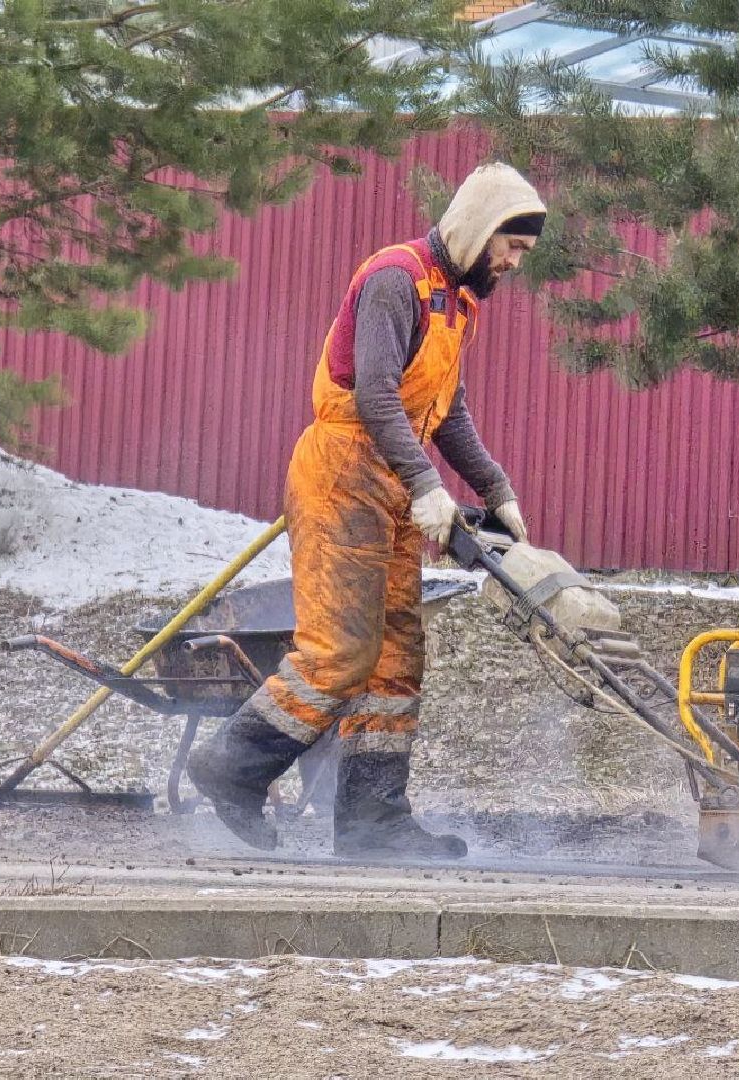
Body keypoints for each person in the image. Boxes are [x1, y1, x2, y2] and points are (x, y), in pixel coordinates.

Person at [188, 162, 546, 860]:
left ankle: (372, 821)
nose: (512, 264)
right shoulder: (396, 280)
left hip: (390, 482)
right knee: (341, 652)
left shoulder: (457, 302)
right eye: (511, 246)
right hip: (342, 472)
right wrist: (427, 485)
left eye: (522, 255)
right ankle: (231, 766)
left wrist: (495, 487)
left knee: (395, 657)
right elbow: (378, 397)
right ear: (478, 229)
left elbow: (447, 412)